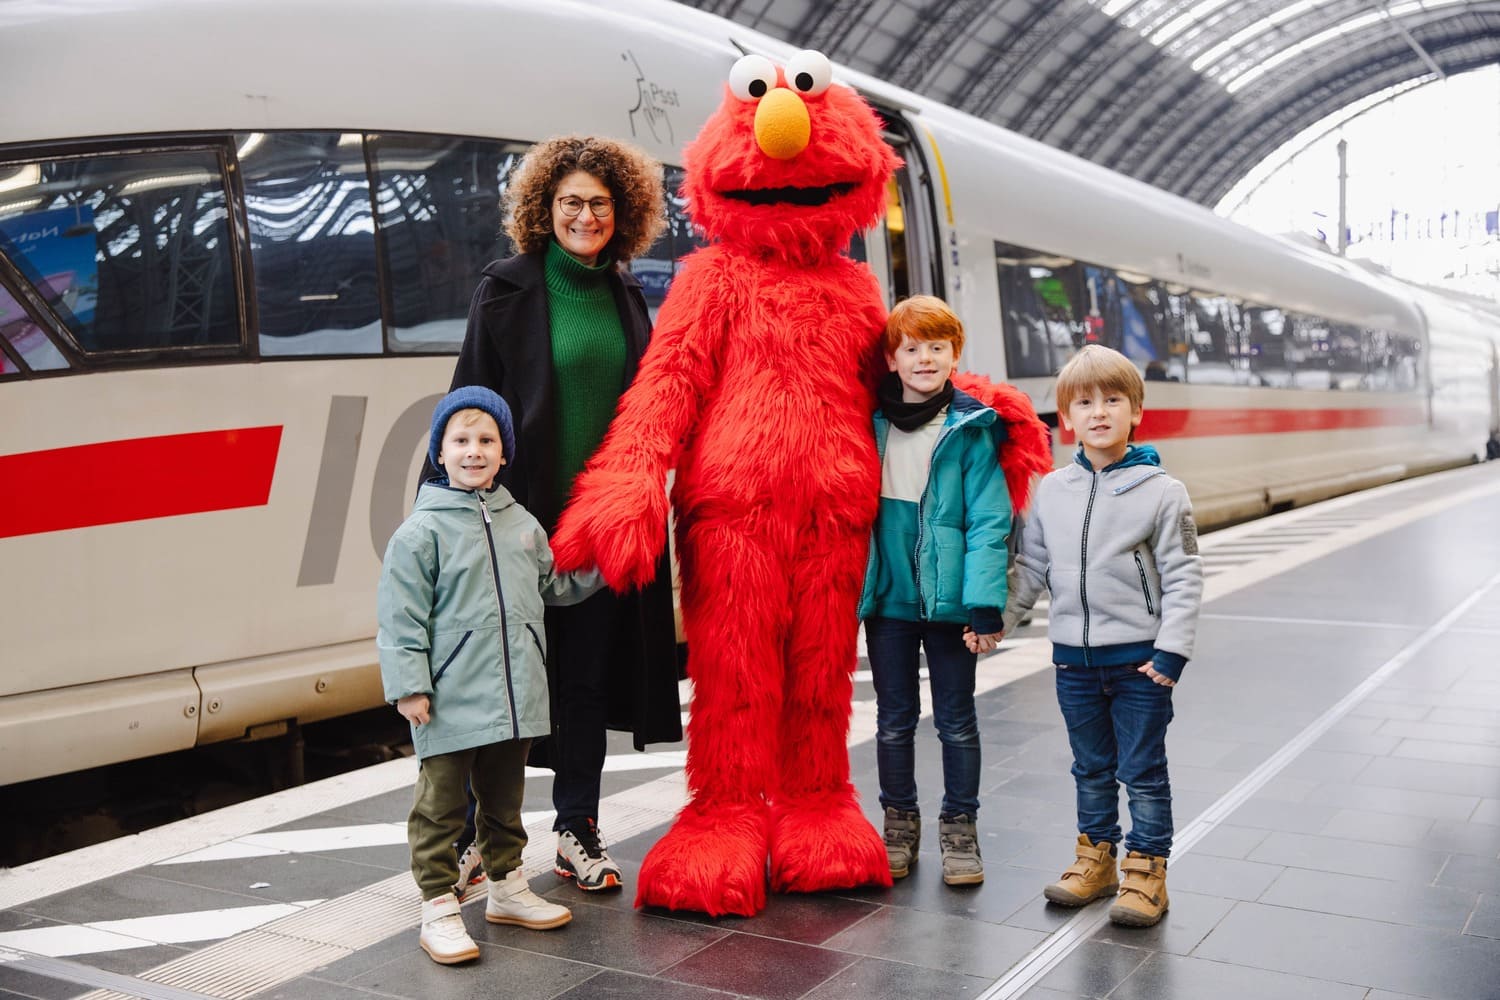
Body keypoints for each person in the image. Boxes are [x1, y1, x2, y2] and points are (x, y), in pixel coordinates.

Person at [428, 136, 682, 896]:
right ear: (545, 209)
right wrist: (444, 508)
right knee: (496, 679)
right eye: (570, 201)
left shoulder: (627, 295)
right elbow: (469, 396)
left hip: (602, 524)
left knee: (583, 684)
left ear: (623, 213)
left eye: (600, 204)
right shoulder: (505, 288)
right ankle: (473, 838)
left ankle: (578, 827)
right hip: (517, 519)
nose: (585, 215)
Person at [380, 386, 605, 965]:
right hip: (450, 698)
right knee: (441, 807)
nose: (474, 451)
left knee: (505, 800)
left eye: (487, 440)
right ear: (439, 451)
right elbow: (400, 617)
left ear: (504, 454)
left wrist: (607, 560)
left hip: (514, 695)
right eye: (461, 440)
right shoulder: (420, 533)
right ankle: (438, 907)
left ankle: (506, 887)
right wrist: (409, 685)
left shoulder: (521, 523)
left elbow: (552, 586)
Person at [1001, 345, 1203, 928]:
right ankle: (1096, 861)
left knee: (1141, 770)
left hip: (1142, 663)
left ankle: (1147, 873)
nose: (1098, 412)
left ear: (1135, 410)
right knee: (1089, 768)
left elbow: (1185, 574)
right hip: (1074, 664)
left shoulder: (1164, 491)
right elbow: (1032, 568)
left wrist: (1172, 650)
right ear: (1066, 418)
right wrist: (998, 622)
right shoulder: (1052, 490)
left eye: (1113, 400)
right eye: (1083, 402)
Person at [855, 296, 1012, 887]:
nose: (925, 358)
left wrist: (984, 604)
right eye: (912, 348)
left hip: (951, 607)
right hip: (890, 600)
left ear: (954, 356)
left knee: (957, 721)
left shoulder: (970, 429)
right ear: (892, 359)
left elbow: (991, 522)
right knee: (893, 720)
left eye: (937, 348)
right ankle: (899, 824)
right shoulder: (867, 423)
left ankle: (959, 827)